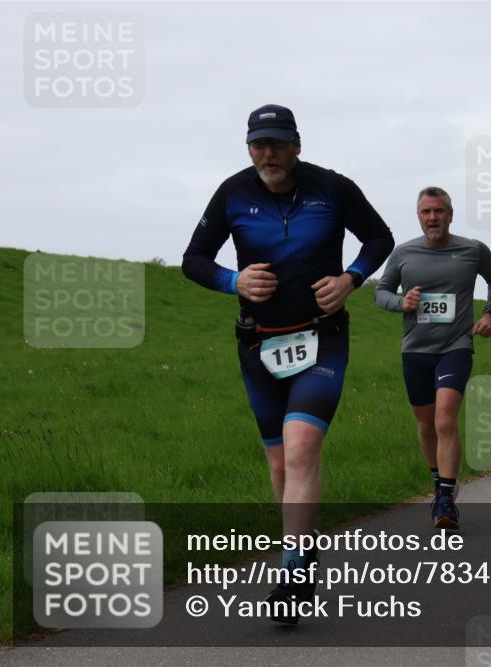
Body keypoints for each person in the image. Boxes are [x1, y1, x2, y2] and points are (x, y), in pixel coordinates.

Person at [182, 104, 394, 623]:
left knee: (301, 449)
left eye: (277, 143)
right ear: (248, 146)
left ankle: (294, 570)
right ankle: (301, 543)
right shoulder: (232, 193)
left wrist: (351, 278)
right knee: (279, 464)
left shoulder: (332, 188)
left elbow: (379, 237)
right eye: (258, 143)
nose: (268, 153)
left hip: (322, 341)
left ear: (297, 144)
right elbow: (193, 260)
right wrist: (234, 281)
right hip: (258, 345)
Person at [375, 186, 491, 529]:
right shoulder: (403, 253)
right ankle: (439, 479)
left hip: (456, 346)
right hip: (415, 350)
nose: (433, 217)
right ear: (418, 216)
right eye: (426, 212)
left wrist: (490, 314)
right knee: (425, 424)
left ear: (450, 214)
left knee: (445, 419)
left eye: (439, 211)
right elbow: (381, 292)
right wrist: (401, 303)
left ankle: (445, 500)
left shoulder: (473, 250)